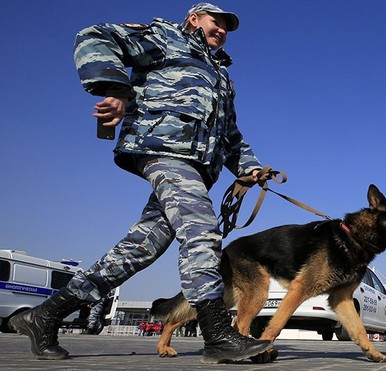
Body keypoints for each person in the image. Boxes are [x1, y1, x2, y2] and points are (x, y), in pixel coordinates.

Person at [8, 3, 272, 363]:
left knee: (140, 249)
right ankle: (216, 334)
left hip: (197, 166)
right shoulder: (165, 39)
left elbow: (230, 135)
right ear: (194, 18)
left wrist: (252, 168)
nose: (222, 29)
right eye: (217, 21)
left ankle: (46, 315)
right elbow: (96, 36)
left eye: (227, 26)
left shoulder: (220, 75)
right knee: (201, 228)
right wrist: (114, 88)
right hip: (164, 151)